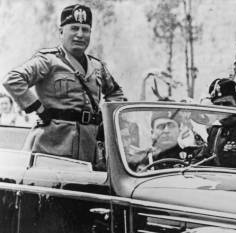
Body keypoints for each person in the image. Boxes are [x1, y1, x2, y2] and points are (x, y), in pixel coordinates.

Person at [2, 4, 125, 163]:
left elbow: (116, 93)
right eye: (74, 28)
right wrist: (38, 107)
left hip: (88, 147)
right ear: (61, 32)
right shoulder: (48, 60)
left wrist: (106, 119)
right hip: (52, 147)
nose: (80, 34)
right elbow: (13, 79)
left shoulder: (97, 66)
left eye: (85, 29)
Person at [127, 110, 202, 171]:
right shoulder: (139, 160)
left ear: (179, 130)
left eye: (171, 126)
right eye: (161, 126)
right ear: (152, 132)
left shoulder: (194, 155)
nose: (166, 130)